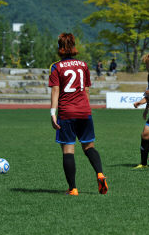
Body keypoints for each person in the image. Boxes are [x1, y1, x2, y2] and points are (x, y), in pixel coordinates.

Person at [49, 33, 108, 195]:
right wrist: (86, 108)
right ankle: (100, 174)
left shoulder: (56, 67)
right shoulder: (83, 65)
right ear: (74, 45)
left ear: (60, 47)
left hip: (67, 113)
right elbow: (87, 90)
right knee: (89, 147)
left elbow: (55, 90)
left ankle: (73, 188)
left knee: (68, 150)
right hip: (84, 111)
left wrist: (53, 113)